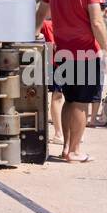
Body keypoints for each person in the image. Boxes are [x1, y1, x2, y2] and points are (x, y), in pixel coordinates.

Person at [35, 0, 107, 163]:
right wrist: (105, 49)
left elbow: (40, 13)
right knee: (80, 103)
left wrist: (36, 33)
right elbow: (96, 21)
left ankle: (66, 148)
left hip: (62, 51)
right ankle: (75, 150)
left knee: (68, 100)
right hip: (85, 52)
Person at [36, 11, 64, 145]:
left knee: (56, 97)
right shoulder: (50, 24)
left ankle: (59, 132)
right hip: (57, 63)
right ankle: (59, 132)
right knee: (58, 97)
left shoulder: (48, 24)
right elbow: (54, 45)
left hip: (54, 63)